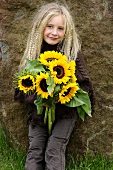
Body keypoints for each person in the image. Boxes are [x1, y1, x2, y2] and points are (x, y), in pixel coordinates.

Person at [14, 2, 94, 170]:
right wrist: (41, 97)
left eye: (60, 28)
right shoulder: (34, 52)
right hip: (39, 110)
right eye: (50, 26)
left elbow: (85, 85)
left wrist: (62, 95)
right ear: (40, 26)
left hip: (65, 111)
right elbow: (22, 88)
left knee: (54, 149)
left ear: (67, 32)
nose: (54, 33)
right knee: (35, 149)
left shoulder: (71, 52)